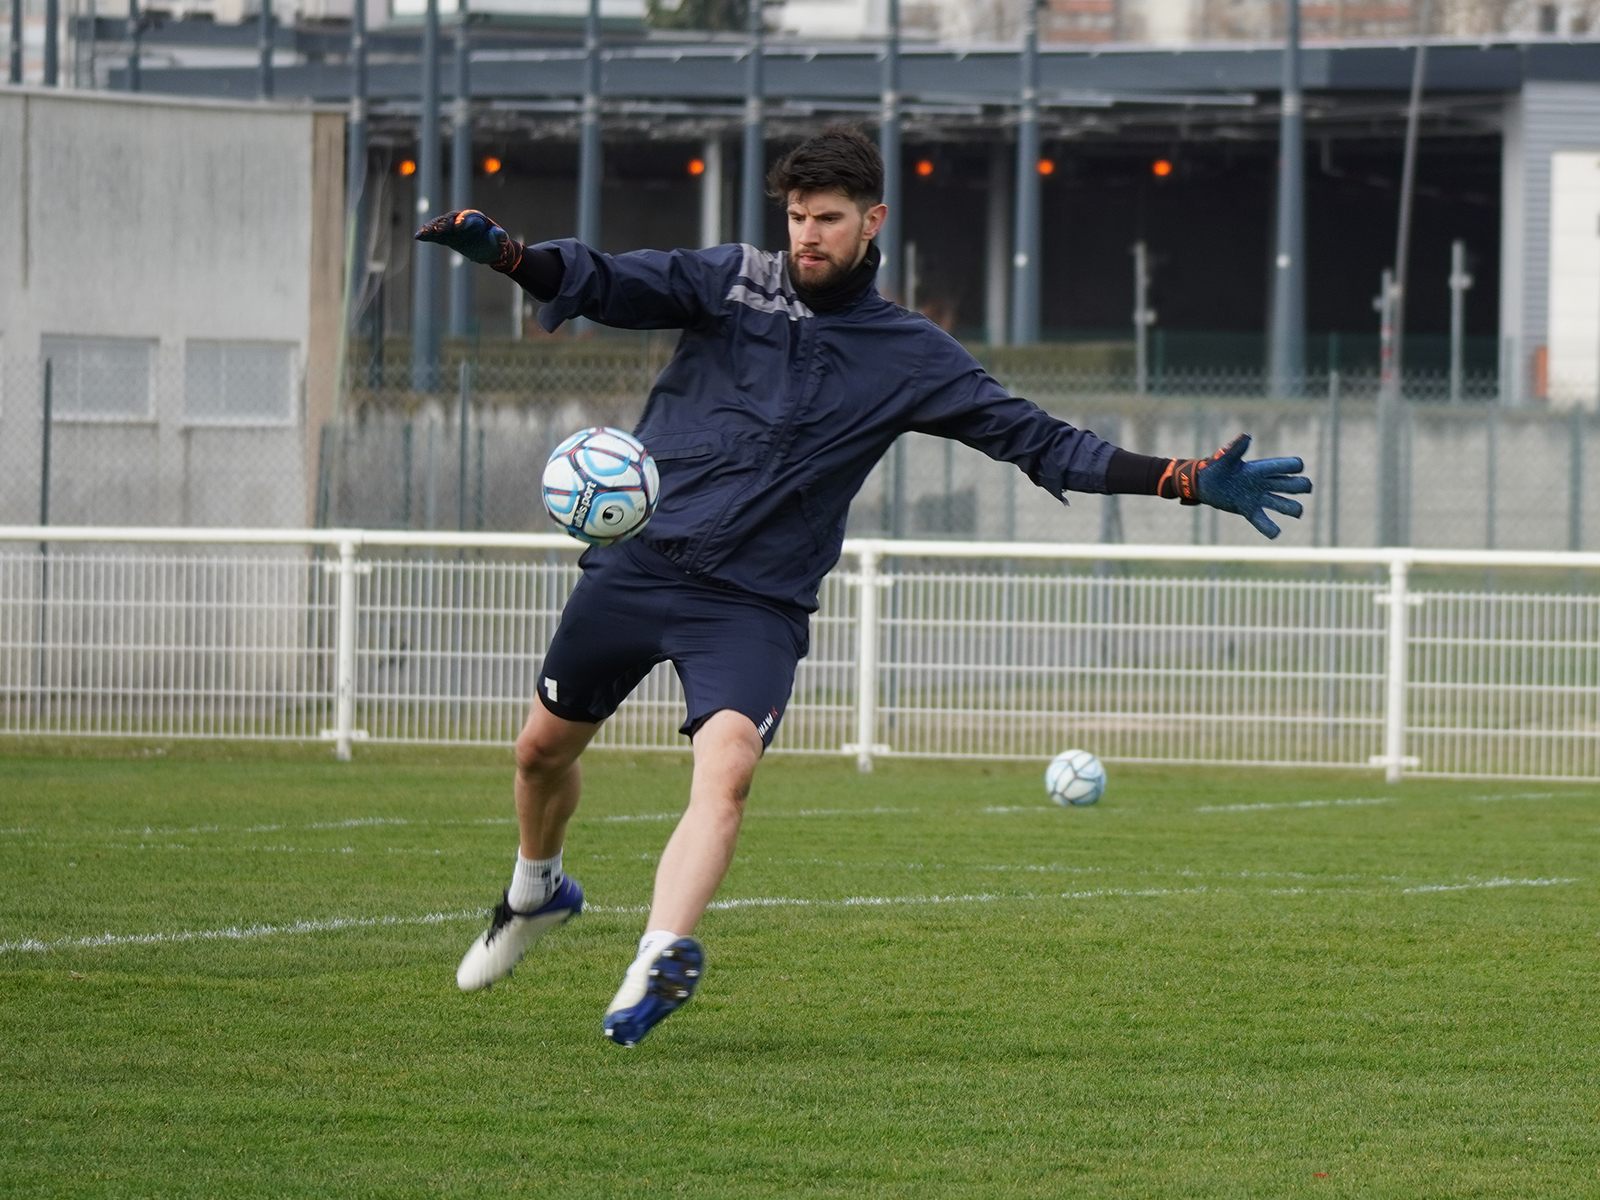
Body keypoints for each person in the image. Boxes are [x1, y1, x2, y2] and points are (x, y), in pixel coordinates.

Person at [416, 124, 1310, 1048]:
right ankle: (538, 890)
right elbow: (605, 281)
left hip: (752, 604)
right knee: (540, 754)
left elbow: (1041, 441)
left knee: (727, 770)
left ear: (872, 221)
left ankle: (660, 954)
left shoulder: (909, 353)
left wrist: (1182, 478)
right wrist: (512, 257)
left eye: (828, 219)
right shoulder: (728, 281)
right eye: (798, 217)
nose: (807, 235)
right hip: (638, 568)